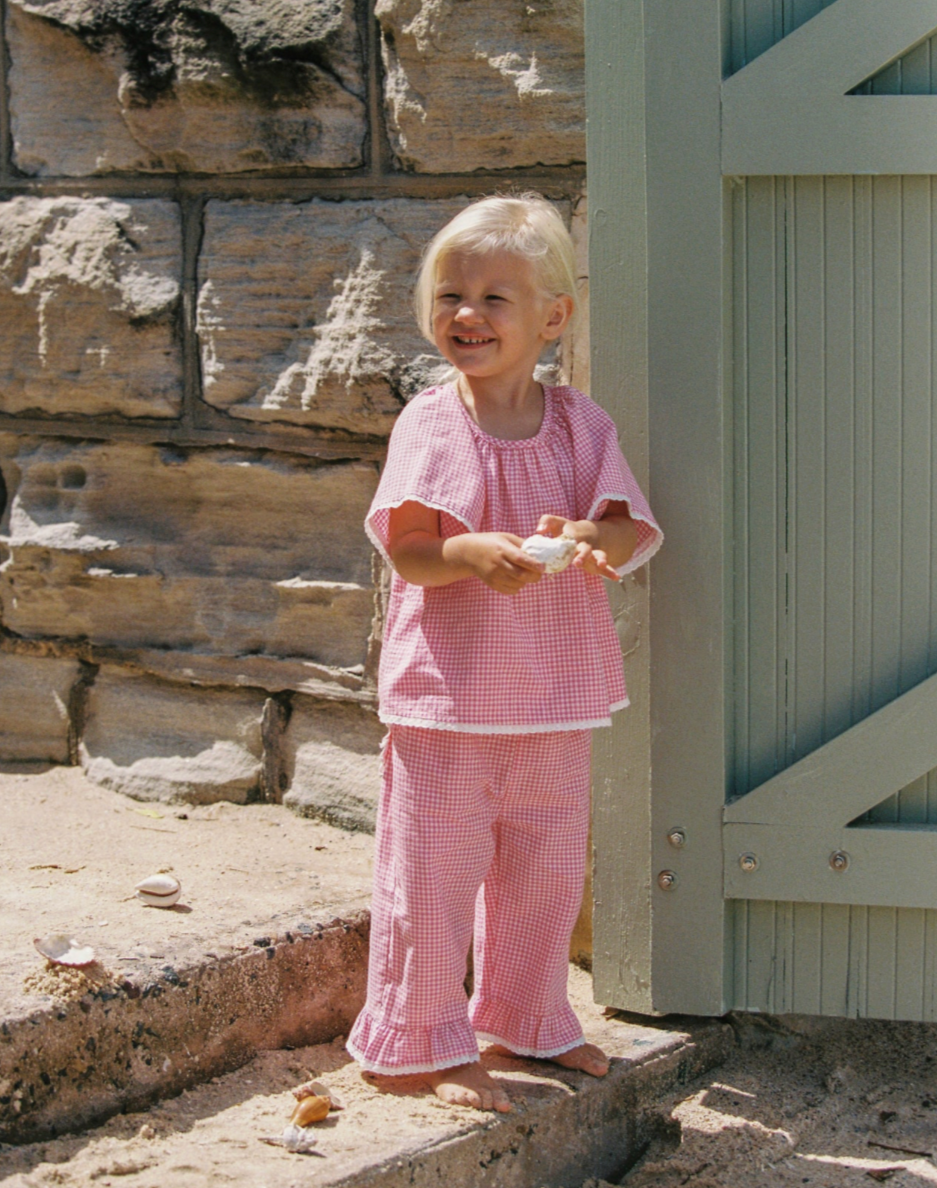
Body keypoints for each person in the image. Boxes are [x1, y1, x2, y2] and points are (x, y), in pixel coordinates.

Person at [345, 193, 662, 1112]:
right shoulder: (433, 424)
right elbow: (406, 547)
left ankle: (526, 1017)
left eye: (495, 297)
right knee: (430, 875)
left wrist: (589, 536)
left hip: (553, 697)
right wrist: (467, 554)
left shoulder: (579, 425)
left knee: (545, 868)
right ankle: (420, 1040)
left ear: (553, 318)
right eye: (451, 295)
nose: (467, 315)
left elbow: (623, 528)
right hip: (446, 701)